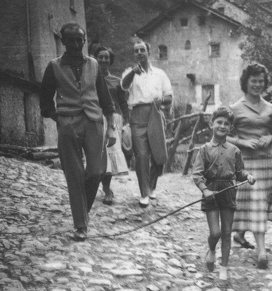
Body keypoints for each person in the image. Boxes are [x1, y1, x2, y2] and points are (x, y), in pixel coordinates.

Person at [40, 22, 117, 241]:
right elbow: (45, 101)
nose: (75, 44)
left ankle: (82, 212)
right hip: (68, 124)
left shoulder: (93, 64)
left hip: (94, 122)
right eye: (71, 40)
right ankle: (81, 225)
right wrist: (59, 118)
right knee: (73, 175)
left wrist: (111, 127)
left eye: (79, 40)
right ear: (63, 42)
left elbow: (106, 99)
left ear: (84, 41)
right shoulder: (53, 66)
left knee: (95, 172)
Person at [226, 63, 272, 269]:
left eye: (261, 81)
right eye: (254, 81)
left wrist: (271, 137)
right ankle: (261, 251)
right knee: (257, 203)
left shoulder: (270, 108)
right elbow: (220, 135)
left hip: (268, 163)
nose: (258, 85)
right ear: (246, 82)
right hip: (247, 164)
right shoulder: (235, 108)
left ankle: (240, 234)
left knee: (257, 204)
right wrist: (241, 142)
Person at [192, 106, 255, 286]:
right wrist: (204, 190)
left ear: (230, 128)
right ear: (212, 124)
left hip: (228, 191)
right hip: (211, 192)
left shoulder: (234, 150)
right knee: (216, 232)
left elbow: (240, 170)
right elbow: (197, 174)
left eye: (226, 124)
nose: (222, 126)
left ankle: (224, 268)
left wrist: (247, 176)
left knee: (227, 232)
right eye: (219, 122)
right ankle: (212, 249)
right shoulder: (204, 149)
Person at [121, 40, 173, 208]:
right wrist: (132, 74)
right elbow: (123, 86)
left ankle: (152, 186)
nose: (139, 53)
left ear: (148, 52)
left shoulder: (159, 73)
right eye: (136, 51)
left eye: (142, 50)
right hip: (137, 115)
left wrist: (161, 99)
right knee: (142, 156)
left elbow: (169, 97)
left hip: (156, 114)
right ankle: (143, 193)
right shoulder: (129, 73)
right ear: (134, 55)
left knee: (158, 154)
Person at [94, 46, 129, 205]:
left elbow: (123, 103)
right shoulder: (90, 79)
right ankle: (98, 186)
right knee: (96, 153)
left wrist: (126, 123)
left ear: (110, 61)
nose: (103, 60)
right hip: (94, 117)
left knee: (109, 153)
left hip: (113, 119)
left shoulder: (117, 81)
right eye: (100, 57)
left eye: (106, 57)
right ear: (95, 59)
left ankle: (107, 190)